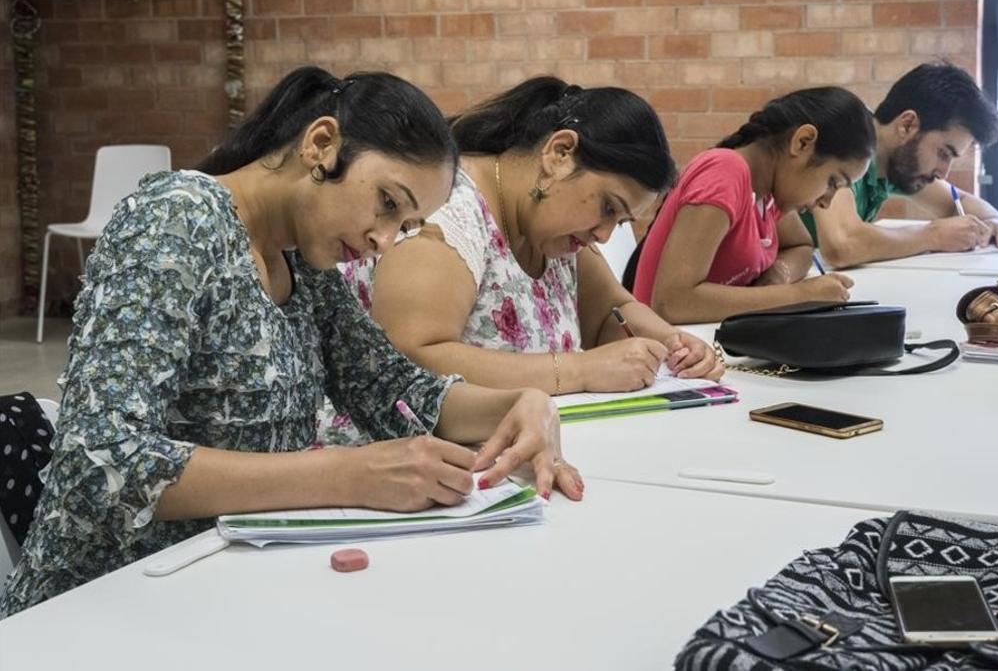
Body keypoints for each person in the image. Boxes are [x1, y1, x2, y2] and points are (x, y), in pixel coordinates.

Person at [0, 67, 581, 618]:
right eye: (386, 203)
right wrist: (344, 474)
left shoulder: (304, 267)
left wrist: (519, 403)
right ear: (321, 144)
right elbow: (101, 460)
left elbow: (397, 391)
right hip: (100, 601)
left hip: (215, 584)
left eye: (403, 226)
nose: (382, 241)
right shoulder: (173, 222)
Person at [317, 77, 721, 431]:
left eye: (620, 222)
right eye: (608, 208)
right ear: (560, 154)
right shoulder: (450, 210)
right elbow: (410, 358)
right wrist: (581, 371)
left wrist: (673, 344)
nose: (602, 234)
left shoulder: (554, 233)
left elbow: (612, 310)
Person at [628, 86, 875, 325]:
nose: (826, 202)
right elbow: (673, 302)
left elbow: (801, 247)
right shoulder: (725, 173)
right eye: (832, 182)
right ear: (802, 142)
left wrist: (778, 275)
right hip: (664, 352)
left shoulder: (769, 193)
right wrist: (799, 295)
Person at [802, 62, 998, 270]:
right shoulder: (846, 138)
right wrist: (933, 235)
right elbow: (842, 245)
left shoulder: (894, 162)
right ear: (907, 125)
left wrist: (996, 222)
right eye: (943, 153)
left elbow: (958, 201)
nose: (943, 172)